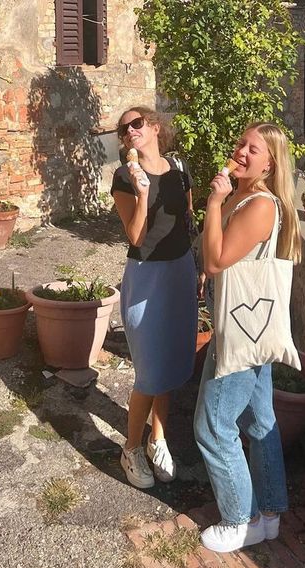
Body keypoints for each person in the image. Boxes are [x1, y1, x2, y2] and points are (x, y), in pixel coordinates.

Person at [193, 122, 302, 553]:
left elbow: (217, 260)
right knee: (261, 420)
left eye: (252, 149)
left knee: (213, 426)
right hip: (255, 326)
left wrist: (213, 202)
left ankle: (243, 520)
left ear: (270, 162)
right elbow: (223, 255)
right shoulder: (248, 196)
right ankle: (271, 512)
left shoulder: (258, 205)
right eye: (240, 143)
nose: (240, 152)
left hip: (240, 328)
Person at [110, 107, 198, 489]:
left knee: (171, 362)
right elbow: (135, 236)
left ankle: (157, 438)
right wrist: (142, 193)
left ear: (155, 127)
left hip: (180, 270)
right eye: (124, 128)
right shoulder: (123, 178)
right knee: (149, 370)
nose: (130, 131)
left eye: (137, 124)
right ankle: (130, 449)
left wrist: (199, 268)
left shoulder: (179, 167)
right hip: (147, 276)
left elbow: (188, 217)